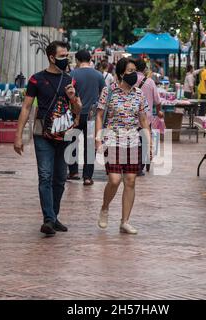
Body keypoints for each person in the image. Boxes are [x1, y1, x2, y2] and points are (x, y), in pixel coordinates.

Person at [14, 41, 82, 237]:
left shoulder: (71, 80)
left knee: (60, 178)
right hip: (42, 134)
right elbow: (26, 107)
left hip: (65, 135)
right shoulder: (37, 80)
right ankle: (48, 219)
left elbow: (78, 110)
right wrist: (18, 136)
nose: (66, 59)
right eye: (62, 56)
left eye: (67, 56)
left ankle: (53, 216)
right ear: (51, 57)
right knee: (45, 175)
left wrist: (72, 97)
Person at [95, 58, 151, 234]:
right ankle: (105, 207)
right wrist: (98, 138)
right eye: (129, 70)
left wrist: (148, 145)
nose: (133, 74)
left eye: (135, 70)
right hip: (112, 140)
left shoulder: (139, 94)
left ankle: (125, 221)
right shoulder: (109, 91)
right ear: (120, 73)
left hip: (133, 142)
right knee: (114, 179)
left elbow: (143, 120)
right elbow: (99, 116)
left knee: (131, 181)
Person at [67, 50, 106, 185]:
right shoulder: (99, 75)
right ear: (90, 60)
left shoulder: (72, 74)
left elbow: (68, 94)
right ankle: (88, 177)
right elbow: (104, 94)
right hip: (92, 115)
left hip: (75, 114)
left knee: (72, 142)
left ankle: (73, 171)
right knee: (90, 146)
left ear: (77, 60)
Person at [135, 58, 163, 176]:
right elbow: (157, 101)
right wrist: (159, 112)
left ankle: (130, 164)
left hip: (131, 117)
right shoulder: (150, 82)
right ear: (144, 68)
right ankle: (140, 168)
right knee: (144, 142)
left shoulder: (129, 80)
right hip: (147, 118)